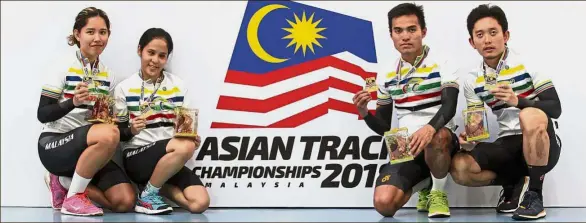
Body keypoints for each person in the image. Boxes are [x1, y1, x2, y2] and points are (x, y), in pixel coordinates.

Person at [450, 4, 562, 220]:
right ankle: (515, 182)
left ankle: (535, 197)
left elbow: (555, 108)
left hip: (543, 141)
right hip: (507, 143)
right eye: (480, 35)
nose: (487, 40)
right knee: (460, 167)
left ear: (506, 35)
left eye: (493, 33)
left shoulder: (528, 62)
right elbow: (476, 126)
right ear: (472, 42)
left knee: (528, 114)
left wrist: (517, 101)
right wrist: (470, 140)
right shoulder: (473, 80)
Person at [352, 3, 460, 218]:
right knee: (384, 204)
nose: (405, 36)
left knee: (436, 137)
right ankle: (426, 183)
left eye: (412, 29)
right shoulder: (386, 73)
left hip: (441, 139)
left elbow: (450, 106)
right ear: (391, 35)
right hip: (405, 146)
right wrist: (364, 112)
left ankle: (438, 193)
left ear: (423, 32)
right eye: (398, 31)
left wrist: (429, 128)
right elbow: (383, 127)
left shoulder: (443, 61)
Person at [37, 7, 135, 216]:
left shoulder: (108, 75)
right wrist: (72, 102)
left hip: (89, 149)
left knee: (124, 202)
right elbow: (43, 114)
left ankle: (65, 183)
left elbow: (113, 127)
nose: (97, 38)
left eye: (103, 32)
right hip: (54, 145)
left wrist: (131, 129)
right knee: (109, 134)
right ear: (77, 34)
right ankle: (72, 199)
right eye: (90, 32)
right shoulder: (62, 66)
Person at [114, 28, 210, 215]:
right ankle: (148, 196)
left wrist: (191, 138)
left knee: (199, 203)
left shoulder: (178, 85)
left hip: (169, 158)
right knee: (184, 147)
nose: (155, 60)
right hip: (136, 156)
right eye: (150, 53)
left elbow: (184, 128)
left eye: (162, 55)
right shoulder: (124, 88)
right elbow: (118, 134)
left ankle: (149, 188)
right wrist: (131, 130)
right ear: (139, 50)